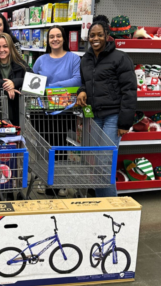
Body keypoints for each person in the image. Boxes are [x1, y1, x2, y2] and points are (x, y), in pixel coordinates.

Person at [76, 16, 137, 197]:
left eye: (99, 35)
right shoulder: (85, 59)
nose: (95, 39)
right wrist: (81, 91)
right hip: (94, 115)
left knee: (104, 160)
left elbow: (130, 90)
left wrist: (124, 122)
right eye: (92, 35)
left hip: (113, 116)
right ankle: (101, 202)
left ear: (107, 35)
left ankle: (110, 206)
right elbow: (85, 81)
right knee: (96, 161)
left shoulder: (120, 58)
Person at [33, 25, 81, 197]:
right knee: (43, 147)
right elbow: (33, 82)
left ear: (64, 38)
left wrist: (50, 87)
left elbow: (77, 79)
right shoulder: (41, 59)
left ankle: (59, 182)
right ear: (48, 40)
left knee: (60, 146)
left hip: (64, 111)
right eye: (51, 36)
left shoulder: (73, 59)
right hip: (42, 111)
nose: (55, 39)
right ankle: (44, 179)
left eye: (58, 36)